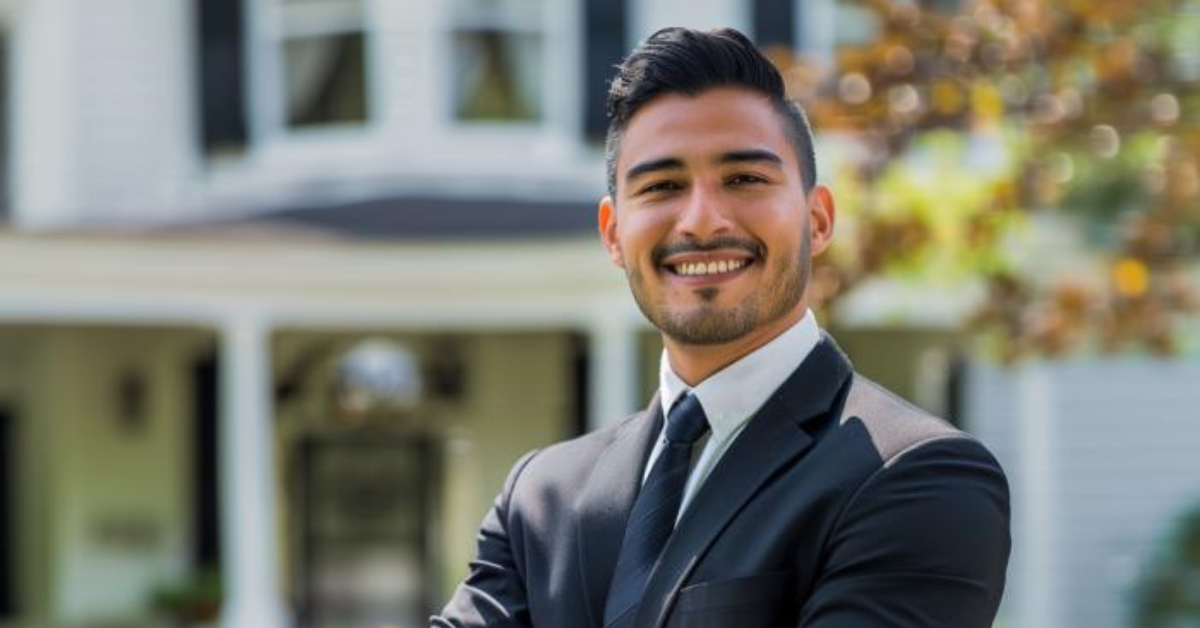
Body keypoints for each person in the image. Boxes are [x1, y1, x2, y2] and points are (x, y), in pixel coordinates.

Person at [432, 27, 1010, 628]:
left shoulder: (918, 478)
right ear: (612, 235)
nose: (702, 220)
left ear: (817, 220)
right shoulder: (541, 498)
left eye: (744, 180)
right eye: (662, 186)